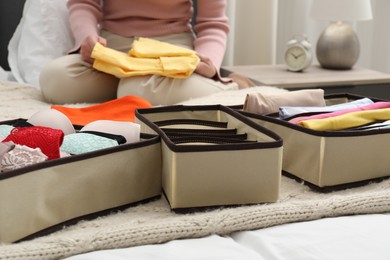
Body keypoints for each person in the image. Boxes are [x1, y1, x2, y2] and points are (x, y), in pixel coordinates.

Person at [39, 0, 254, 105]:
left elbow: (213, 24)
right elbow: (84, 3)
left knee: (137, 92)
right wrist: (86, 37)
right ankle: (129, 83)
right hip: (111, 48)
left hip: (170, 50)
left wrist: (210, 63)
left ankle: (233, 85)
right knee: (56, 79)